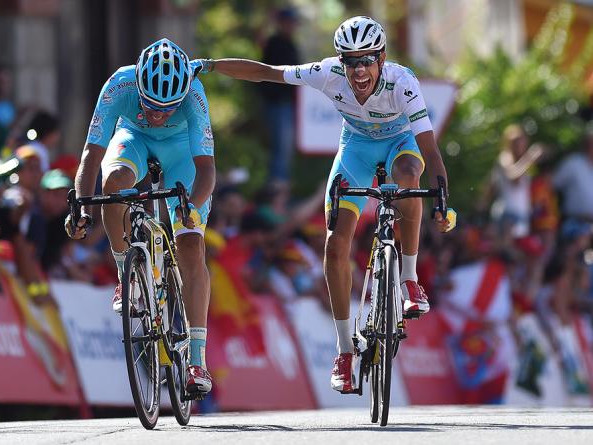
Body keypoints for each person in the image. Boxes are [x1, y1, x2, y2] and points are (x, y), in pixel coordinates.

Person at [193, 16, 456, 393]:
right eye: (351, 61)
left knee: (410, 175)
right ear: (340, 62)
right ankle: (345, 350)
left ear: (382, 59)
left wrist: (442, 201)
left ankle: (409, 281)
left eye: (367, 60)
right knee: (336, 244)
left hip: (401, 145)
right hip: (356, 153)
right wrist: (212, 65)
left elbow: (429, 149)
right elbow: (268, 72)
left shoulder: (403, 83)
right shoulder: (327, 73)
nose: (359, 70)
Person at [65, 38, 215, 396]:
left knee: (191, 246)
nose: (157, 113)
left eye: (166, 108)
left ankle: (197, 360)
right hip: (132, 139)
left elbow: (206, 169)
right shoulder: (120, 83)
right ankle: (126, 274)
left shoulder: (194, 93)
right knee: (114, 182)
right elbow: (91, 154)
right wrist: (83, 206)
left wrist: (191, 209)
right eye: (150, 104)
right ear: (140, 87)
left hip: (182, 153)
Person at [258, 7, 300, 180]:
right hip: (277, 104)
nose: (292, 26)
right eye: (288, 22)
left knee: (285, 150)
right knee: (280, 150)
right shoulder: (274, 42)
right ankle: (277, 189)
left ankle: (280, 189)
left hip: (287, 104)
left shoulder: (290, 43)